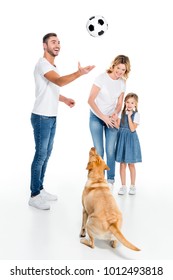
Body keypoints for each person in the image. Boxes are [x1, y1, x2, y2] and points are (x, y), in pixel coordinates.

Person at [29, 33, 95, 210]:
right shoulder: (43, 64)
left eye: (58, 42)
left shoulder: (52, 65)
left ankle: (40, 189)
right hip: (41, 116)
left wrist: (64, 100)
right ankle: (34, 195)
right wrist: (79, 73)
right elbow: (58, 81)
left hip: (51, 116)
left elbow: (51, 89)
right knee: (40, 155)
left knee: (47, 154)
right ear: (44, 46)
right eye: (53, 42)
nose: (57, 44)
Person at [88, 55, 131, 191]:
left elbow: (119, 104)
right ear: (113, 65)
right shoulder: (101, 78)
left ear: (126, 71)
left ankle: (110, 180)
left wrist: (115, 114)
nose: (119, 72)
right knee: (99, 150)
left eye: (123, 70)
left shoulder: (122, 83)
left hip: (111, 119)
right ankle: (99, 179)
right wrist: (103, 117)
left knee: (111, 150)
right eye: (118, 68)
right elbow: (90, 100)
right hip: (96, 116)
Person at [114, 93, 142, 195]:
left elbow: (132, 128)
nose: (129, 104)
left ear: (135, 104)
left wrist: (129, 116)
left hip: (131, 141)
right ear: (125, 103)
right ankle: (123, 186)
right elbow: (118, 126)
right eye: (127, 102)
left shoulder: (136, 115)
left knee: (131, 164)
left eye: (132, 103)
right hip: (122, 140)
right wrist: (115, 118)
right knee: (122, 164)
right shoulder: (121, 114)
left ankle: (133, 186)